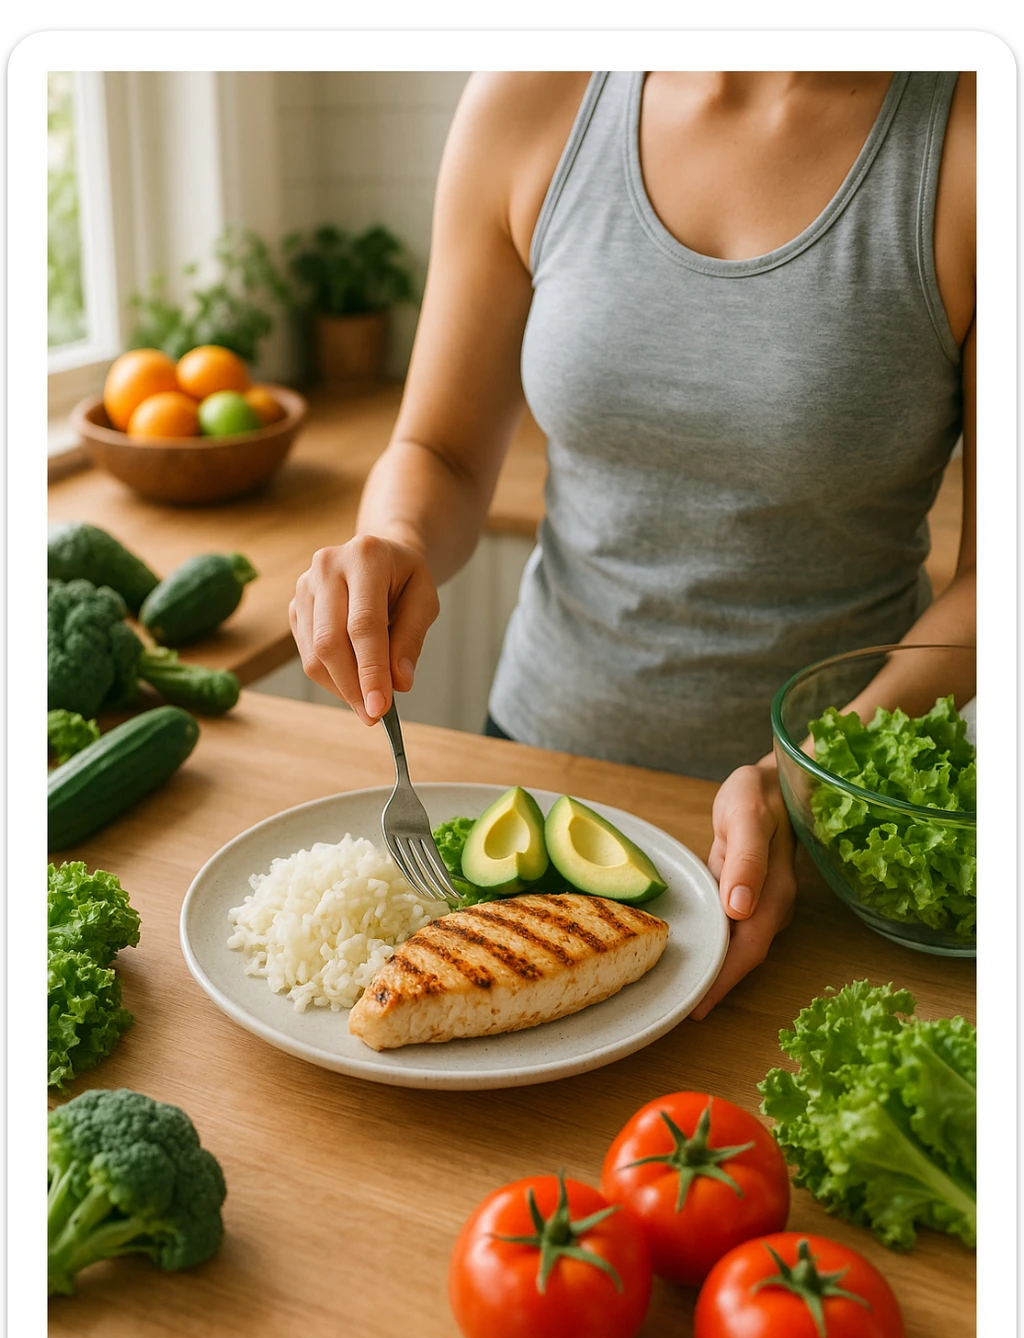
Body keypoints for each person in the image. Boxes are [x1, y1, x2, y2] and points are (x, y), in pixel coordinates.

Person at [289, 70, 976, 1016]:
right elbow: (437, 450)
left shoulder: (976, 140)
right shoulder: (532, 98)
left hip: (819, 823)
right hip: (532, 780)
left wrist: (802, 779)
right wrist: (391, 539)